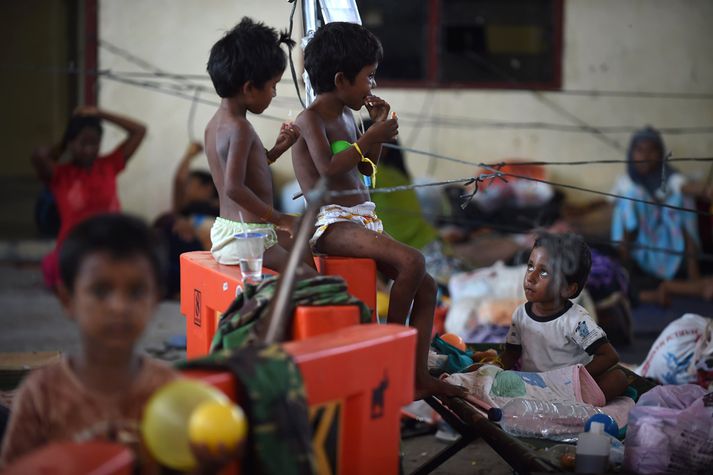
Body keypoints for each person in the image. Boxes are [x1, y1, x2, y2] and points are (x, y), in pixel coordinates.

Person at [291, 21, 465, 400]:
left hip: (361, 215)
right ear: (341, 79)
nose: (372, 86)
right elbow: (327, 170)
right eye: (368, 78)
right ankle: (389, 352)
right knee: (413, 262)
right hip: (330, 222)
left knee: (428, 286)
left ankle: (415, 375)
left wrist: (378, 129)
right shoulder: (311, 118)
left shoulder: (348, 118)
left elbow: (365, 169)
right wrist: (371, 135)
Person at [205, 17, 316, 276]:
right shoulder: (241, 128)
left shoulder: (215, 124)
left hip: (231, 230)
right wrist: (279, 218)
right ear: (249, 88)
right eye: (273, 86)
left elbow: (242, 173)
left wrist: (277, 150)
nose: (274, 93)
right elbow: (234, 187)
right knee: (314, 282)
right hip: (248, 237)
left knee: (301, 246)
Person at [500, 233, 628, 402]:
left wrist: (573, 379)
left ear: (567, 289)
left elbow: (609, 356)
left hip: (570, 390)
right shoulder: (521, 314)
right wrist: (495, 369)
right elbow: (511, 353)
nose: (530, 277)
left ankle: (574, 409)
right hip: (531, 386)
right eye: (530, 266)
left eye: (544, 272)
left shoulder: (576, 320)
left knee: (619, 378)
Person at [31, 106, 147, 290]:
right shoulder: (60, 175)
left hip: (110, 248)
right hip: (75, 252)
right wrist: (63, 144)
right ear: (70, 143)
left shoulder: (108, 166)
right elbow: (39, 156)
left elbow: (139, 131)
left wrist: (99, 113)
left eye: (94, 144)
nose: (89, 150)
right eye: (83, 143)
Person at [611, 126, 713, 304]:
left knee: (681, 199)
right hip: (640, 247)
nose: (646, 156)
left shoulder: (670, 177)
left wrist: (705, 190)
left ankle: (693, 273)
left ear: (661, 153)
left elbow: (683, 186)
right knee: (628, 198)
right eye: (640, 150)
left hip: (670, 243)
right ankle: (626, 271)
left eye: (652, 150)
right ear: (631, 153)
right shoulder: (627, 182)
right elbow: (609, 205)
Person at [153, 142, 219, 297]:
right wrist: (188, 156)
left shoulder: (222, 205)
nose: (186, 188)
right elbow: (178, 181)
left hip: (210, 251)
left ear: (207, 187)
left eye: (191, 184)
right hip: (186, 252)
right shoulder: (186, 209)